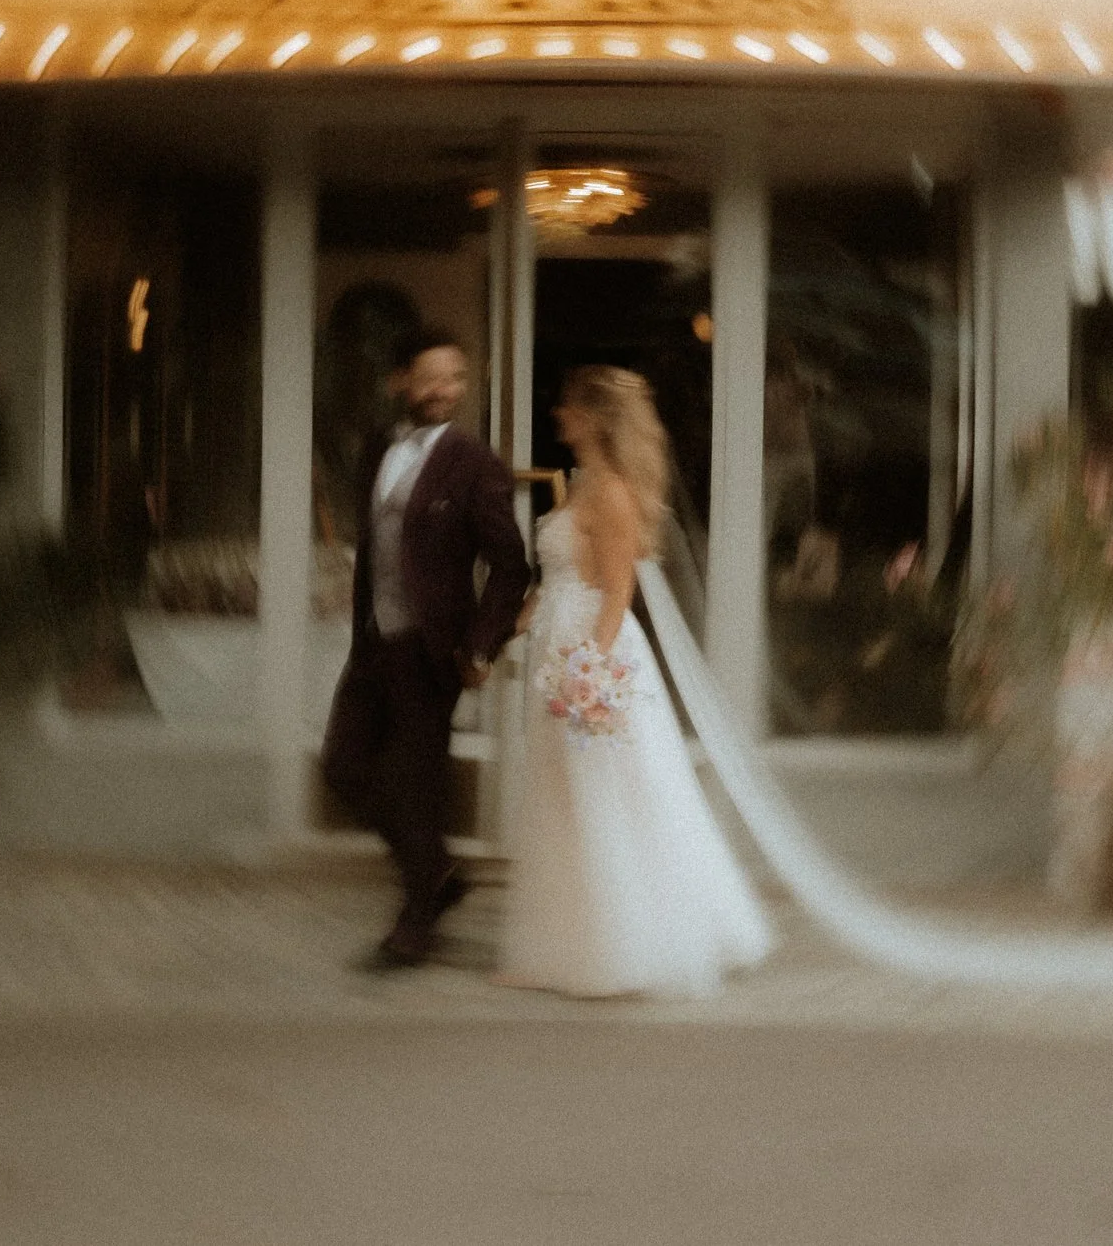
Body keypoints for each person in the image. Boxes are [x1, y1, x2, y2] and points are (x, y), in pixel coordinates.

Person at [499, 365, 774, 998]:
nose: (558, 415)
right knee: (562, 800)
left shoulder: (613, 492)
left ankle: (626, 946)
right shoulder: (585, 481)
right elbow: (561, 579)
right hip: (560, 649)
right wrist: (511, 630)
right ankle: (560, 948)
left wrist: (590, 673)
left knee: (608, 800)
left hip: (592, 656)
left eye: (569, 406)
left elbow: (617, 589)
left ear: (593, 417)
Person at [322, 328, 530, 971]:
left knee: (414, 783)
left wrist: (480, 646)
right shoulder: (379, 449)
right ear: (401, 382)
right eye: (431, 376)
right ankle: (436, 869)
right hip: (373, 641)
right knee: (343, 767)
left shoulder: (475, 463)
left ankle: (417, 921)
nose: (445, 389)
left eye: (456, 378)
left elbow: (511, 566)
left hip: (431, 649)